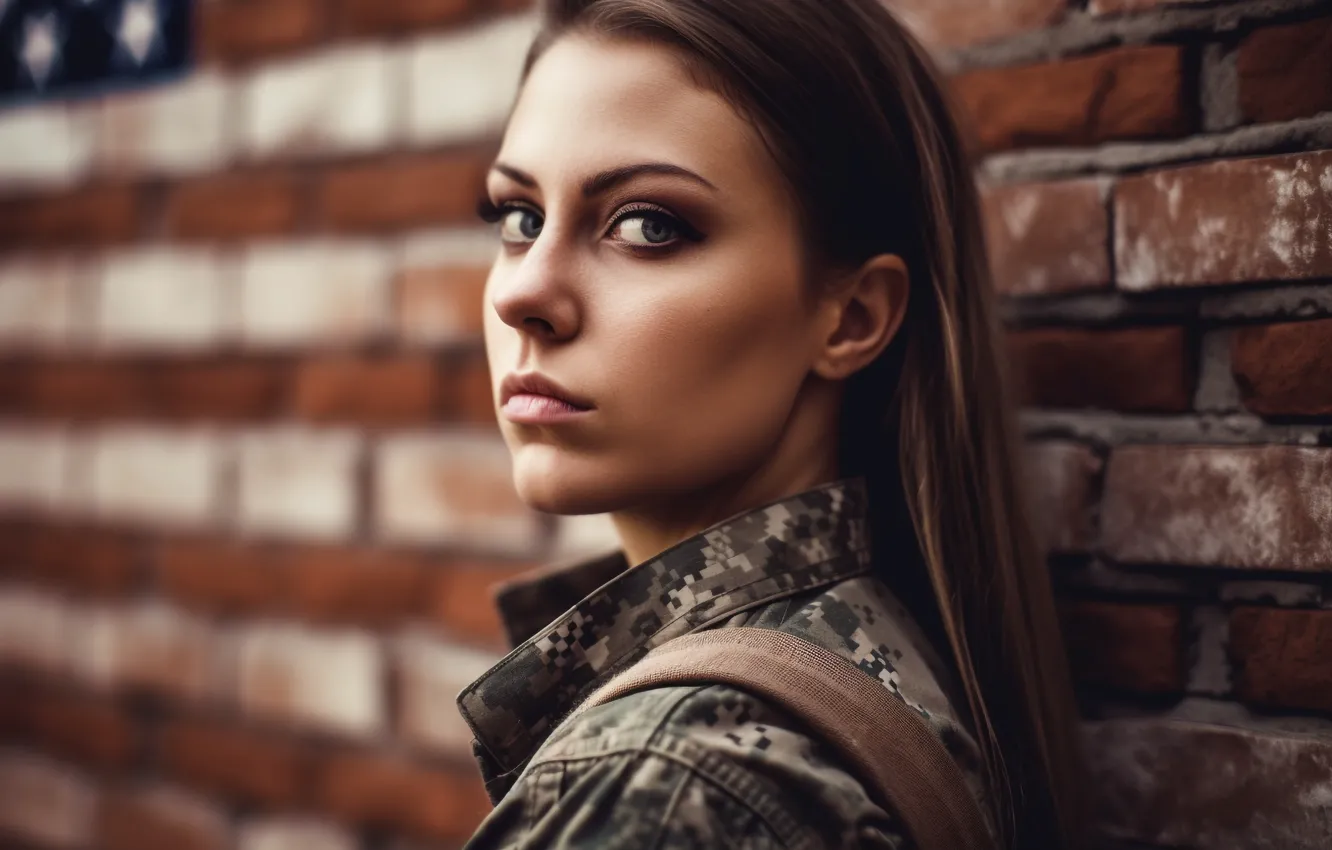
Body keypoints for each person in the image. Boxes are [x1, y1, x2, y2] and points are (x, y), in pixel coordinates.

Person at [457, 0, 1087, 847]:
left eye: (649, 225)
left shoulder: (678, 784)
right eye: (519, 219)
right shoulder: (875, 656)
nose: (521, 293)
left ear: (851, 317)